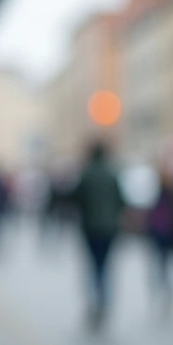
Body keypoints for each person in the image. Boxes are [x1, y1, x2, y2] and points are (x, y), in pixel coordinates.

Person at [72, 140, 126, 329]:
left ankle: (94, 302)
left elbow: (75, 198)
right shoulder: (112, 174)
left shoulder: (86, 174)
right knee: (106, 266)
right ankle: (105, 303)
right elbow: (122, 200)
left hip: (90, 228)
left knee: (93, 266)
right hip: (110, 228)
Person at [146, 164, 173, 314]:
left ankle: (163, 289)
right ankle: (166, 289)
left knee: (161, 264)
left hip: (161, 233)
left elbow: (153, 215)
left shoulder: (160, 194)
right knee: (168, 264)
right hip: (169, 233)